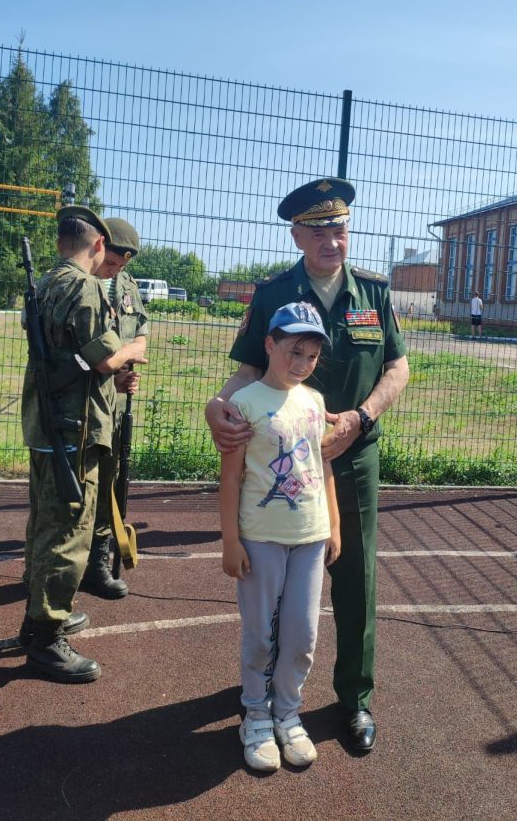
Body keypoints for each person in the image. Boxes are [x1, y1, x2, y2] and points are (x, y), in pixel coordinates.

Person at [206, 177, 409, 752]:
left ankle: (354, 699)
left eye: (339, 228)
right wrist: (215, 407)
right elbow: (246, 373)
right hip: (282, 464)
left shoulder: (374, 292)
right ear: (297, 234)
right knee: (273, 585)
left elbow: (399, 369)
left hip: (355, 456)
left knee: (355, 577)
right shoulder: (272, 293)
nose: (331, 240)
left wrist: (361, 419)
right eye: (318, 230)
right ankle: (263, 694)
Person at [20, 206, 147, 683]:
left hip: (47, 422)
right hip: (75, 427)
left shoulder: (44, 284)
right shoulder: (86, 286)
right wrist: (133, 351)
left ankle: (40, 613)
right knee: (69, 526)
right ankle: (47, 635)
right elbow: (106, 358)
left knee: (44, 521)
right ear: (98, 244)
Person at [219, 302, 340, 771]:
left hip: (310, 537)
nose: (302, 363)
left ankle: (288, 714)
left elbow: (322, 462)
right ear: (269, 345)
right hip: (261, 538)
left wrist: (333, 524)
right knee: (259, 635)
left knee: (302, 635)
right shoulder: (244, 403)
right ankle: (255, 715)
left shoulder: (314, 401)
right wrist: (231, 541)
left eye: (311, 355)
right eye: (294, 350)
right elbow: (230, 479)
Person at [80, 218, 148, 599]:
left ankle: (96, 564)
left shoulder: (126, 287)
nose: (116, 270)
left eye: (122, 266)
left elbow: (141, 329)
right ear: (100, 247)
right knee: (74, 490)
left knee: (110, 479)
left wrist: (128, 363)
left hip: (116, 401)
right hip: (81, 401)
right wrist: (114, 367)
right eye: (113, 264)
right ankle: (50, 572)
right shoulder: (80, 285)